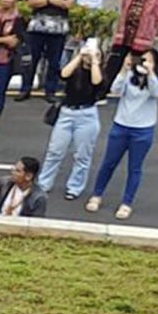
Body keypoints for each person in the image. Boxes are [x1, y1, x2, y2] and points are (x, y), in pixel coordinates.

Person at [85, 47, 158, 221]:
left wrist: (150, 73)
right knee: (108, 163)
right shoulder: (130, 77)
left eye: (149, 60)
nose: (144, 63)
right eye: (142, 59)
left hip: (143, 130)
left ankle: (126, 203)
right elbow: (115, 90)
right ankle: (97, 195)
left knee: (134, 168)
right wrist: (124, 69)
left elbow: (155, 92)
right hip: (121, 126)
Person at [38, 37, 107, 206]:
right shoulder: (75, 69)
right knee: (54, 151)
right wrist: (79, 56)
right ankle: (43, 184)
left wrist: (95, 60)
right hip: (67, 113)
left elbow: (97, 82)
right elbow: (64, 74)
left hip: (87, 115)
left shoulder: (98, 72)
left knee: (82, 155)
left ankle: (75, 187)